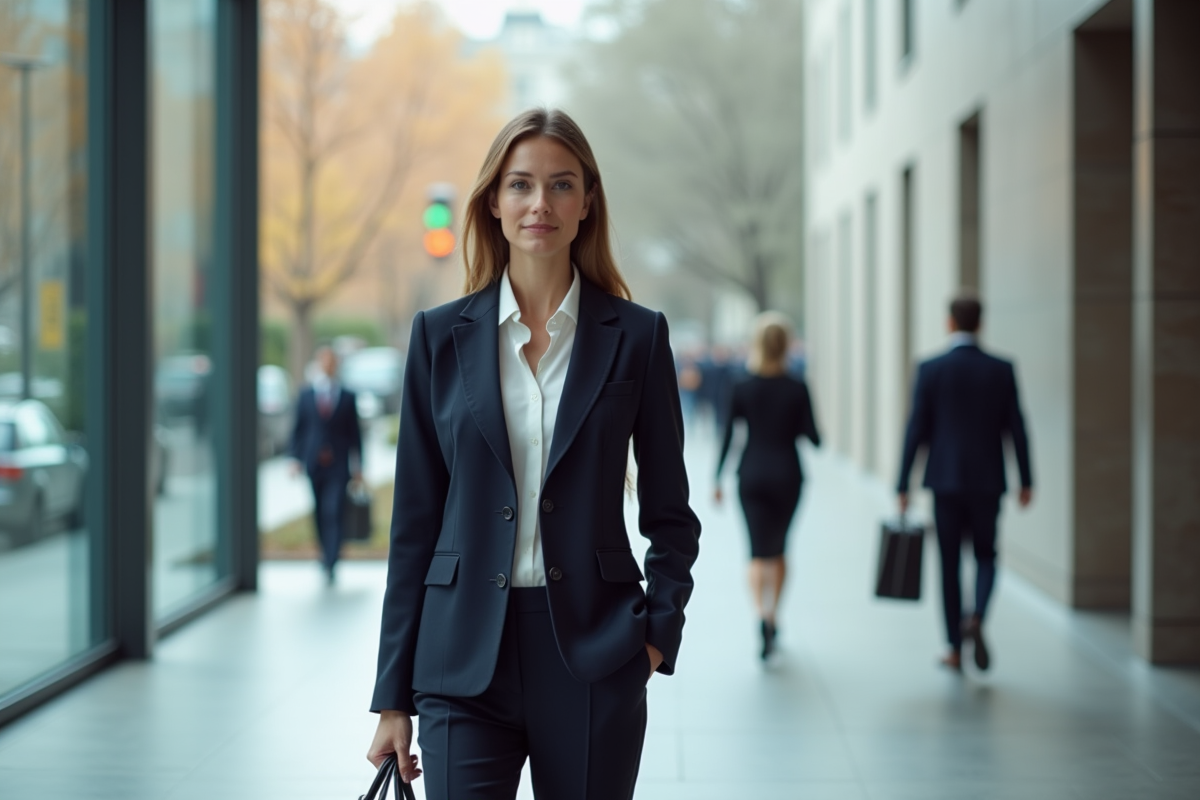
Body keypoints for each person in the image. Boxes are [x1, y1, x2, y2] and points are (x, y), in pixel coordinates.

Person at [366, 108, 701, 800]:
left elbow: (672, 514)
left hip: (594, 655)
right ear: (494, 201)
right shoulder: (437, 338)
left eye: (561, 184)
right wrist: (391, 696)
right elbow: (414, 526)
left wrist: (655, 638)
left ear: (587, 202)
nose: (539, 203)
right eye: (520, 184)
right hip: (461, 661)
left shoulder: (638, 337)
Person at [896, 295, 1033, 672]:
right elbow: (1017, 427)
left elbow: (915, 429)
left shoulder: (931, 368)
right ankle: (977, 616)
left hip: (945, 481)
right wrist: (1026, 479)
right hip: (988, 481)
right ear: (981, 324)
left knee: (950, 563)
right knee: (986, 555)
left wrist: (902, 483)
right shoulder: (1001, 369)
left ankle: (954, 648)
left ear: (949, 323)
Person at [714, 313, 821, 660]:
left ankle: (760, 614)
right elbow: (814, 437)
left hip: (752, 474)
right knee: (780, 549)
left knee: (757, 552)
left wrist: (716, 478)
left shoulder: (741, 386)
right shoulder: (797, 387)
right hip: (788, 474)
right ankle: (775, 615)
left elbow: (728, 435)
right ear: (786, 345)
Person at [288, 346, 363, 585]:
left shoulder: (347, 396)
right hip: (314, 463)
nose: (328, 365)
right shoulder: (306, 394)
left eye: (332, 362)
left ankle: (332, 559)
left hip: (339, 463)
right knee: (320, 510)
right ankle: (324, 552)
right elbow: (298, 429)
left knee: (334, 509)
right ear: (318, 364)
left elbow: (356, 434)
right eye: (324, 361)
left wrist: (359, 466)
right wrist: (294, 459)